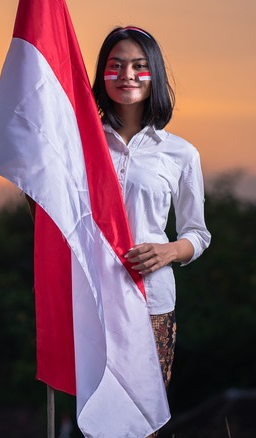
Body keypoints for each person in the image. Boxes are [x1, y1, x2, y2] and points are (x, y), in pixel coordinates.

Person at [91, 25, 211, 393]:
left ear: (153, 74)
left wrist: (169, 251)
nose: (126, 75)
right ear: (102, 74)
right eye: (116, 65)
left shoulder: (180, 153)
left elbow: (198, 233)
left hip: (152, 301)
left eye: (138, 66)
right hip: (92, 297)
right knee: (96, 412)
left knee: (142, 415)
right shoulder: (81, 144)